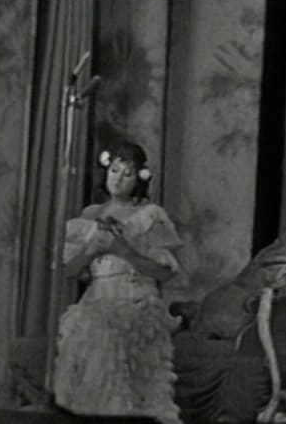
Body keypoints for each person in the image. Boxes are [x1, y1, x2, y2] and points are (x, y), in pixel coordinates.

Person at [53, 141, 183, 424]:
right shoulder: (90, 215)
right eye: (114, 170)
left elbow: (165, 272)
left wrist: (125, 252)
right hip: (97, 298)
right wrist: (91, 251)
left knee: (112, 337)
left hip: (137, 298)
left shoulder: (150, 216)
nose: (119, 178)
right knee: (89, 330)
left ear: (139, 179)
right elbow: (69, 271)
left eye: (128, 173)